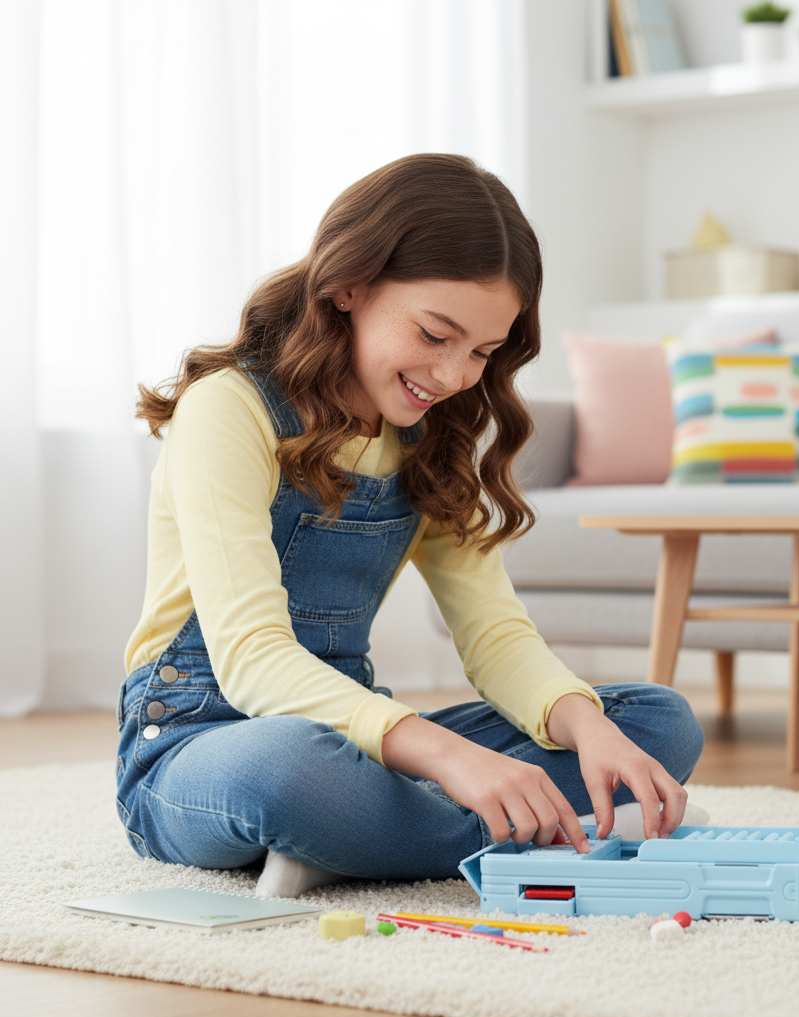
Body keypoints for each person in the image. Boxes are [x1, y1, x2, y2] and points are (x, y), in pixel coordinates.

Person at [116, 153, 705, 898]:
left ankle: (354, 841)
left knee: (656, 722)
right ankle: (512, 828)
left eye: (483, 352)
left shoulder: (432, 438)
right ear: (348, 286)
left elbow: (495, 636)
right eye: (434, 335)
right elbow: (252, 658)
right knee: (290, 770)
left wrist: (588, 730)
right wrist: (452, 760)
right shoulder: (227, 408)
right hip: (195, 746)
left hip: (352, 738)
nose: (455, 376)